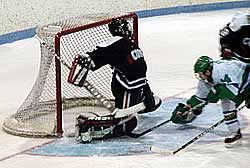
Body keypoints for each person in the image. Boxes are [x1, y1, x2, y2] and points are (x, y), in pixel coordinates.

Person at [68, 18, 161, 143]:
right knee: (127, 125)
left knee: (154, 103)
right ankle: (87, 124)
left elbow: (140, 73)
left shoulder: (129, 43)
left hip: (137, 85)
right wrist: (88, 58)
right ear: (122, 29)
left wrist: (148, 93)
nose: (129, 30)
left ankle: (132, 107)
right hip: (126, 88)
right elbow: (99, 53)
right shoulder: (116, 42)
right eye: (127, 27)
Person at [171, 56, 250, 147]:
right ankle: (236, 132)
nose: (199, 76)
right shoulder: (205, 79)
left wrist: (212, 96)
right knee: (227, 107)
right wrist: (187, 107)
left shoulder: (222, 71)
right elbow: (200, 97)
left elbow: (231, 93)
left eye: (201, 74)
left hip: (246, 81)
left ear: (207, 71)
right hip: (241, 85)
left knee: (226, 98)